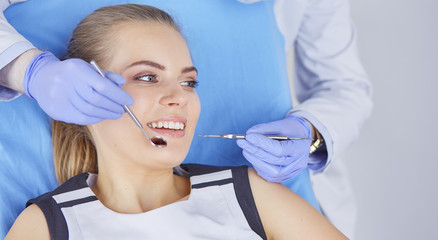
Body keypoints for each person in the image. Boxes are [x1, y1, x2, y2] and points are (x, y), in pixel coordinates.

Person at [0, 0, 372, 237]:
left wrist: (311, 134)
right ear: (87, 95)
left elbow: (344, 85)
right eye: (147, 76)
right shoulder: (47, 226)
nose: (179, 97)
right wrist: (29, 70)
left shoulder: (255, 199)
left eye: (190, 82)